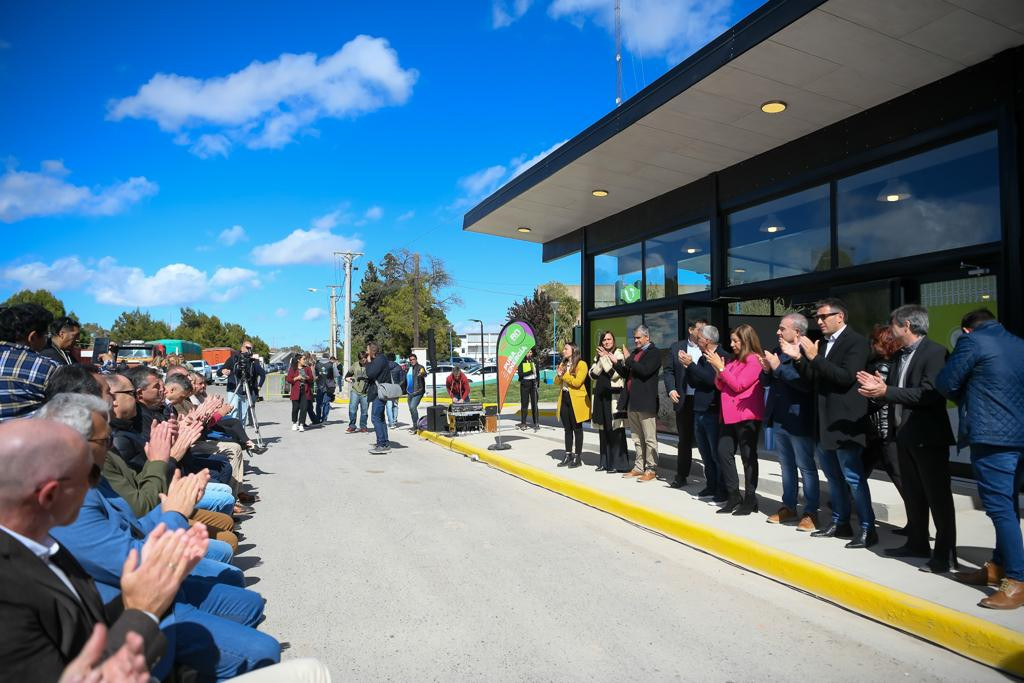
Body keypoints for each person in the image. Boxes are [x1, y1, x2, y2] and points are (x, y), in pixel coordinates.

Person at [0, 418, 205, 681]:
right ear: (49, 495)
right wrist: (142, 611)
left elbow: (88, 620)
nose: (97, 488)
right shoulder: (9, 593)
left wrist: (139, 593)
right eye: (93, 476)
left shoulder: (44, 544)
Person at [858, 304, 956, 573]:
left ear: (907, 326)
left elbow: (929, 394)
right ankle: (917, 543)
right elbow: (899, 391)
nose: (890, 331)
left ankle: (945, 555)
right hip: (903, 435)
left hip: (928, 437)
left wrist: (886, 391)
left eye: (893, 325)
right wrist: (880, 388)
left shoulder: (935, 352)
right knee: (913, 495)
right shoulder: (901, 355)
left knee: (938, 498)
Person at [937, 309, 1024, 608]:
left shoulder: (972, 342)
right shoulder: (1018, 343)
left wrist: (968, 395)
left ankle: (1017, 581)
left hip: (992, 436)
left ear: (967, 330)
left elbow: (946, 383)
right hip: (1019, 437)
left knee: (1000, 509)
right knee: (1009, 506)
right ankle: (997, 568)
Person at [788, 298, 877, 549]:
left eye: (823, 317)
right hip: (824, 420)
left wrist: (815, 358)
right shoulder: (824, 344)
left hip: (846, 420)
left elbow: (846, 377)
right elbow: (815, 378)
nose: (819, 321)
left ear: (840, 317)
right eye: (817, 317)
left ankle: (868, 528)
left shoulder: (856, 342)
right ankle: (840, 521)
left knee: (853, 477)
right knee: (833, 476)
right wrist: (799, 360)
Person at [761, 313, 818, 529]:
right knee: (786, 465)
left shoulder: (806, 354)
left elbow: (805, 384)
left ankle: (811, 511)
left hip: (799, 417)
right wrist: (767, 369)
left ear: (797, 332)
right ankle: (789, 506)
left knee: (806, 466)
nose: (778, 332)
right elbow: (768, 382)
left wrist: (777, 367)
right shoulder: (777, 351)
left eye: (782, 328)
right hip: (780, 418)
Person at [705, 324, 764, 515]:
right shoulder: (734, 361)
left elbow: (738, 386)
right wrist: (718, 370)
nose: (732, 345)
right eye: (731, 340)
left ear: (746, 341)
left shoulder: (754, 360)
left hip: (747, 416)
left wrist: (722, 368)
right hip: (729, 415)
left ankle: (750, 498)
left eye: (735, 341)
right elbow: (721, 385)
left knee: (748, 457)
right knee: (723, 452)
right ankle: (733, 495)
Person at [859, 325, 910, 533]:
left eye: (876, 341)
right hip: (880, 430)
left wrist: (867, 393)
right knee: (861, 470)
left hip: (883, 430)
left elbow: (880, 399)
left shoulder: (883, 366)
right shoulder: (894, 363)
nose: (872, 344)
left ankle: (917, 521)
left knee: (896, 473)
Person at [613, 325, 662, 483]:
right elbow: (627, 373)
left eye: (638, 337)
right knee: (636, 438)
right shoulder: (634, 354)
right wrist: (616, 363)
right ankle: (639, 467)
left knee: (649, 438)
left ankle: (651, 468)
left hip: (646, 402)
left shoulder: (654, 353)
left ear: (647, 337)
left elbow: (645, 370)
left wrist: (628, 359)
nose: (635, 340)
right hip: (632, 402)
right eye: (634, 337)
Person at [687, 325, 731, 503]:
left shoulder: (722, 356)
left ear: (708, 340)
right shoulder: (703, 358)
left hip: (712, 410)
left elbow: (711, 380)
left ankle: (722, 488)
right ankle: (711, 484)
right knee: (704, 452)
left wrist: (692, 366)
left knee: (715, 453)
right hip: (699, 409)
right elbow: (696, 380)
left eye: (700, 338)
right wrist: (689, 367)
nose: (697, 341)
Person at [663, 318, 706, 488]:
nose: (703, 333)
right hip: (683, 400)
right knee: (684, 440)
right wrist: (671, 389)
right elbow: (668, 371)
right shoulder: (677, 347)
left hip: (703, 399)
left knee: (705, 439)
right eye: (700, 329)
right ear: (691, 330)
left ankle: (712, 478)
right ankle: (681, 475)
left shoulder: (707, 348)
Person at [0, 302, 57, 422]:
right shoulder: (47, 368)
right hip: (26, 438)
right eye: (46, 335)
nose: (48, 339)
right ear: (33, 337)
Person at [590, 332, 629, 472]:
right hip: (601, 397)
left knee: (615, 430)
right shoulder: (599, 356)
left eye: (609, 339)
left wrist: (604, 359)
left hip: (613, 397)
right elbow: (593, 375)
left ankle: (618, 464)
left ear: (613, 341)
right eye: (604, 340)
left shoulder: (618, 354)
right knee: (603, 430)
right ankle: (604, 462)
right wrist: (601, 360)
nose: (606, 342)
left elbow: (615, 374)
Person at [554, 342, 590, 468]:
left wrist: (564, 375)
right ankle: (568, 454)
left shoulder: (581, 364)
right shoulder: (563, 364)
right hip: (564, 397)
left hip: (576, 400)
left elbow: (577, 382)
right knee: (567, 428)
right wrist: (559, 375)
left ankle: (577, 457)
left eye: (566, 349)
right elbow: (556, 381)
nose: (563, 351)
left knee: (577, 428)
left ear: (573, 350)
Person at [219, 340, 258, 424]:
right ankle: (234, 435)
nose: (249, 350)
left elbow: (255, 377)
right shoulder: (234, 358)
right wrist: (223, 371)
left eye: (251, 348)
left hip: (245, 392)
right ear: (242, 348)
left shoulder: (251, 361)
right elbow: (219, 371)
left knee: (243, 417)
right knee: (234, 413)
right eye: (247, 348)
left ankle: (241, 436)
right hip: (234, 390)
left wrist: (254, 392)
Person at [364, 342, 392, 454]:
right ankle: (385, 442)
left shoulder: (379, 360)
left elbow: (370, 374)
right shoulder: (382, 359)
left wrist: (369, 362)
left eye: (367, 350)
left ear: (372, 351)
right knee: (380, 418)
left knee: (375, 418)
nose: (366, 352)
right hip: (380, 392)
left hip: (378, 393)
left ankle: (381, 444)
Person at [286, 354, 314, 432]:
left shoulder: (307, 369)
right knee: (295, 408)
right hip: (296, 391)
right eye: (303, 359)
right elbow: (289, 379)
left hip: (305, 391)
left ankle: (301, 424)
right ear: (299, 360)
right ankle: (294, 423)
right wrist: (297, 378)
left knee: (304, 408)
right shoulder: (293, 369)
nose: (305, 361)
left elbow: (311, 379)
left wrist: (307, 377)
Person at [345, 352, 370, 434]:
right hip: (355, 390)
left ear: (366, 358)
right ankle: (352, 426)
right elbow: (347, 375)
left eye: (363, 359)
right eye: (360, 360)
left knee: (364, 411)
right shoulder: (355, 365)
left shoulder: (370, 365)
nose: (362, 361)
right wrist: (347, 379)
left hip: (366, 392)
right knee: (352, 409)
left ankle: (363, 426)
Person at [517, 348, 540, 431]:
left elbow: (537, 373)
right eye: (528, 352)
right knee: (524, 404)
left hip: (533, 384)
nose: (529, 354)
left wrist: (538, 384)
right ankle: (523, 423)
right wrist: (530, 371)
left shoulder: (535, 362)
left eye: (530, 352)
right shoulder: (521, 362)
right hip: (525, 384)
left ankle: (536, 422)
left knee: (535, 404)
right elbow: (520, 374)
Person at [406, 353, 427, 433]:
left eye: (413, 359)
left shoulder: (420, 367)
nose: (412, 361)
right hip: (410, 392)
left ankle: (417, 426)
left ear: (416, 359)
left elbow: (424, 373)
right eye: (410, 360)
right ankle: (415, 426)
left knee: (412, 407)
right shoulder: (409, 368)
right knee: (411, 410)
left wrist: (422, 374)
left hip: (418, 392)